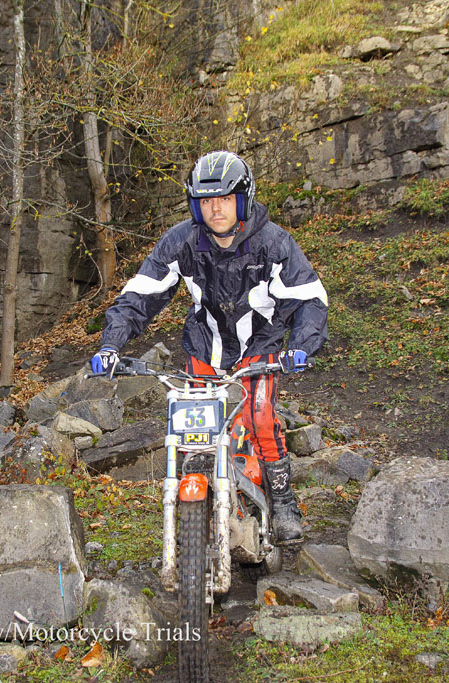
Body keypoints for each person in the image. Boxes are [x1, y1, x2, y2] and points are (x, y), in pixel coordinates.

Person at [91, 150, 328, 544]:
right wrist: (110, 346)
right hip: (205, 345)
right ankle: (199, 504)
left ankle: (283, 499)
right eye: (206, 200)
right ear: (194, 204)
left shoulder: (274, 243)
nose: (216, 208)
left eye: (225, 198)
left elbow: (309, 299)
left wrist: (301, 346)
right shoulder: (181, 242)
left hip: (260, 345)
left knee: (260, 416)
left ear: (243, 199)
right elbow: (140, 295)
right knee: (193, 431)